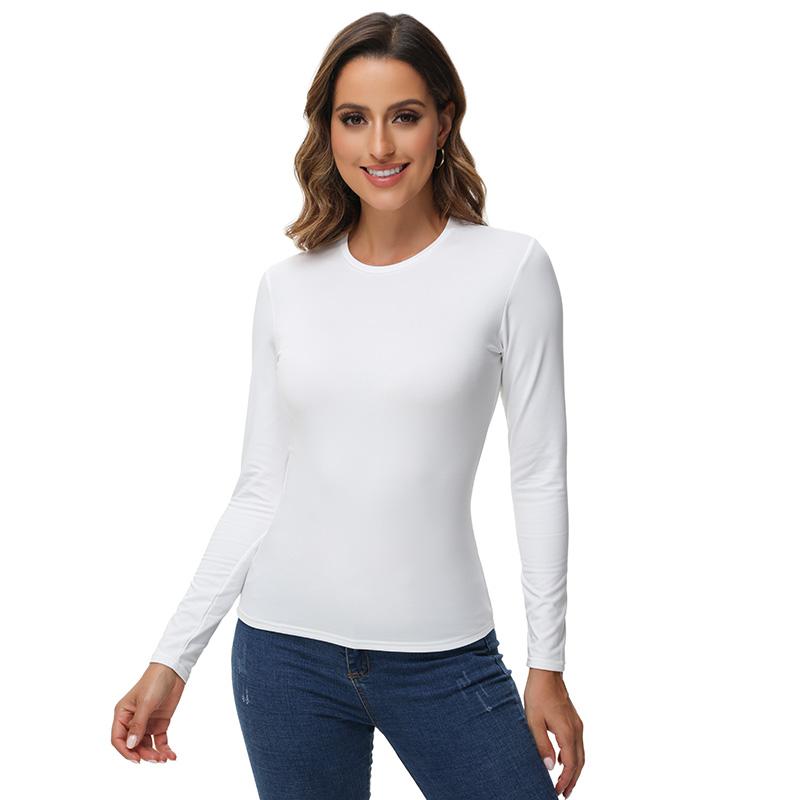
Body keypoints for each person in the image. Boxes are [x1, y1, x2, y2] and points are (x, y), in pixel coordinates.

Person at [111, 11, 585, 800]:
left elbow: (538, 475)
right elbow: (259, 487)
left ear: (444, 122)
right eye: (354, 118)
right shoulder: (286, 289)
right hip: (282, 655)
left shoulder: (510, 270)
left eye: (405, 116)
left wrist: (549, 664)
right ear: (327, 130)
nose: (381, 146)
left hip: (445, 657)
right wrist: (173, 658)